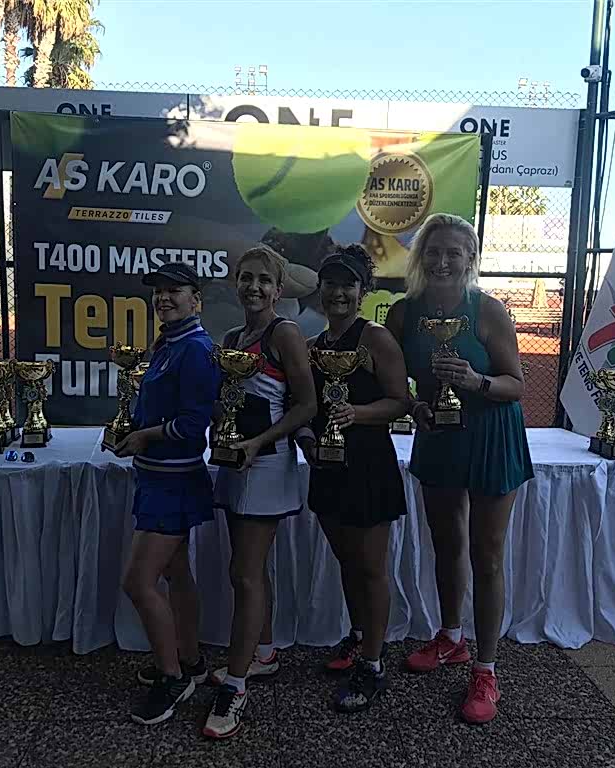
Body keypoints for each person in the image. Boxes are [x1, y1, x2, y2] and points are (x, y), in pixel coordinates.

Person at [384, 213, 535, 725]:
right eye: (433, 252)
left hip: (491, 435)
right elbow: (395, 382)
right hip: (440, 436)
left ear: (470, 258)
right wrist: (414, 407)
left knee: (486, 555)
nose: (442, 261)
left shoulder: (488, 310)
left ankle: (486, 669)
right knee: (446, 543)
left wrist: (476, 381)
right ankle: (451, 637)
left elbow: (517, 385)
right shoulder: (403, 314)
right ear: (420, 257)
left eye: (453, 252)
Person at [202, 244, 317, 739]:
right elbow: (228, 400)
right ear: (236, 283)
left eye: (263, 280)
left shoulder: (285, 333)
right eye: (246, 278)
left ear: (278, 289)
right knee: (246, 570)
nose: (254, 287)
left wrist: (258, 442)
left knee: (245, 574)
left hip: (266, 464)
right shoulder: (232, 337)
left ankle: (236, 684)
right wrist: (219, 426)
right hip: (236, 462)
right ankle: (263, 652)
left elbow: (307, 405)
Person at [294, 243, 410, 713]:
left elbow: (400, 402)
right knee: (346, 561)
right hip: (327, 466)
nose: (338, 293)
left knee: (370, 567)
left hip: (368, 465)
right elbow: (304, 407)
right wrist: (306, 435)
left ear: (363, 292)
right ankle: (359, 636)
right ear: (320, 289)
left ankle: (374, 664)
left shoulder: (376, 339)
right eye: (331, 283)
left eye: (348, 284)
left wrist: (356, 414)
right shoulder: (312, 347)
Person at [116, 261, 222, 726]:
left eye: (174, 290)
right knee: (177, 574)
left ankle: (172, 677)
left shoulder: (195, 348)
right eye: (158, 291)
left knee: (138, 583)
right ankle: (191, 660)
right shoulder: (169, 343)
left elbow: (195, 425)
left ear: (196, 299)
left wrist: (146, 436)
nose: (163, 297)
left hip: (173, 480)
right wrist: (134, 429)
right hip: (157, 476)